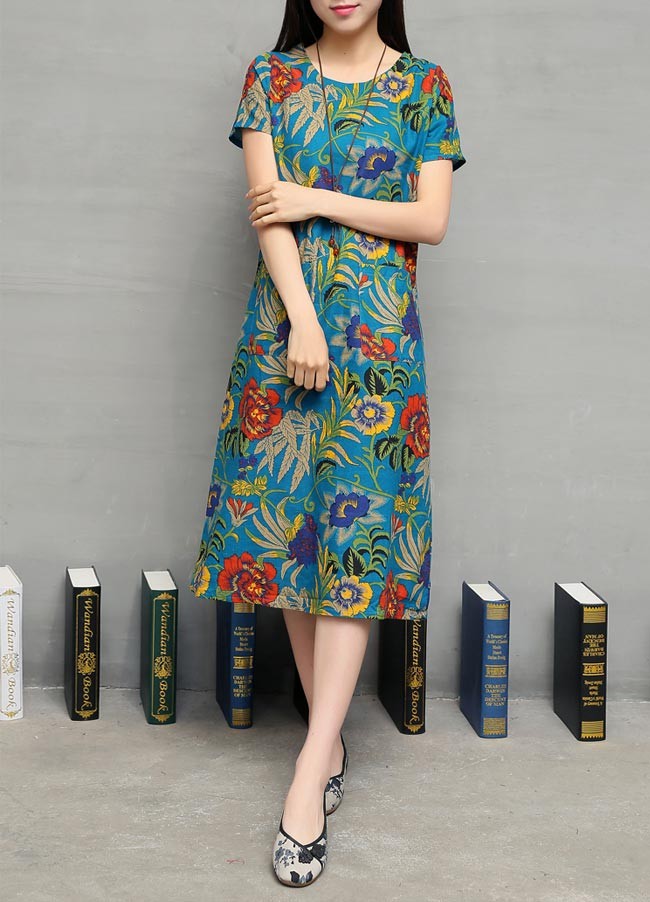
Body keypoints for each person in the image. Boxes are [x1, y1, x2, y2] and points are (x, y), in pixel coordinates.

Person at [189, 0, 466, 887]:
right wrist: (303, 320)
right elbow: (266, 217)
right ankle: (330, 738)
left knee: (354, 542)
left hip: (380, 347)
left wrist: (314, 197)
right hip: (285, 333)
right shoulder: (271, 78)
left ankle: (310, 772)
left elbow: (429, 220)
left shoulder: (425, 87)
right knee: (290, 534)